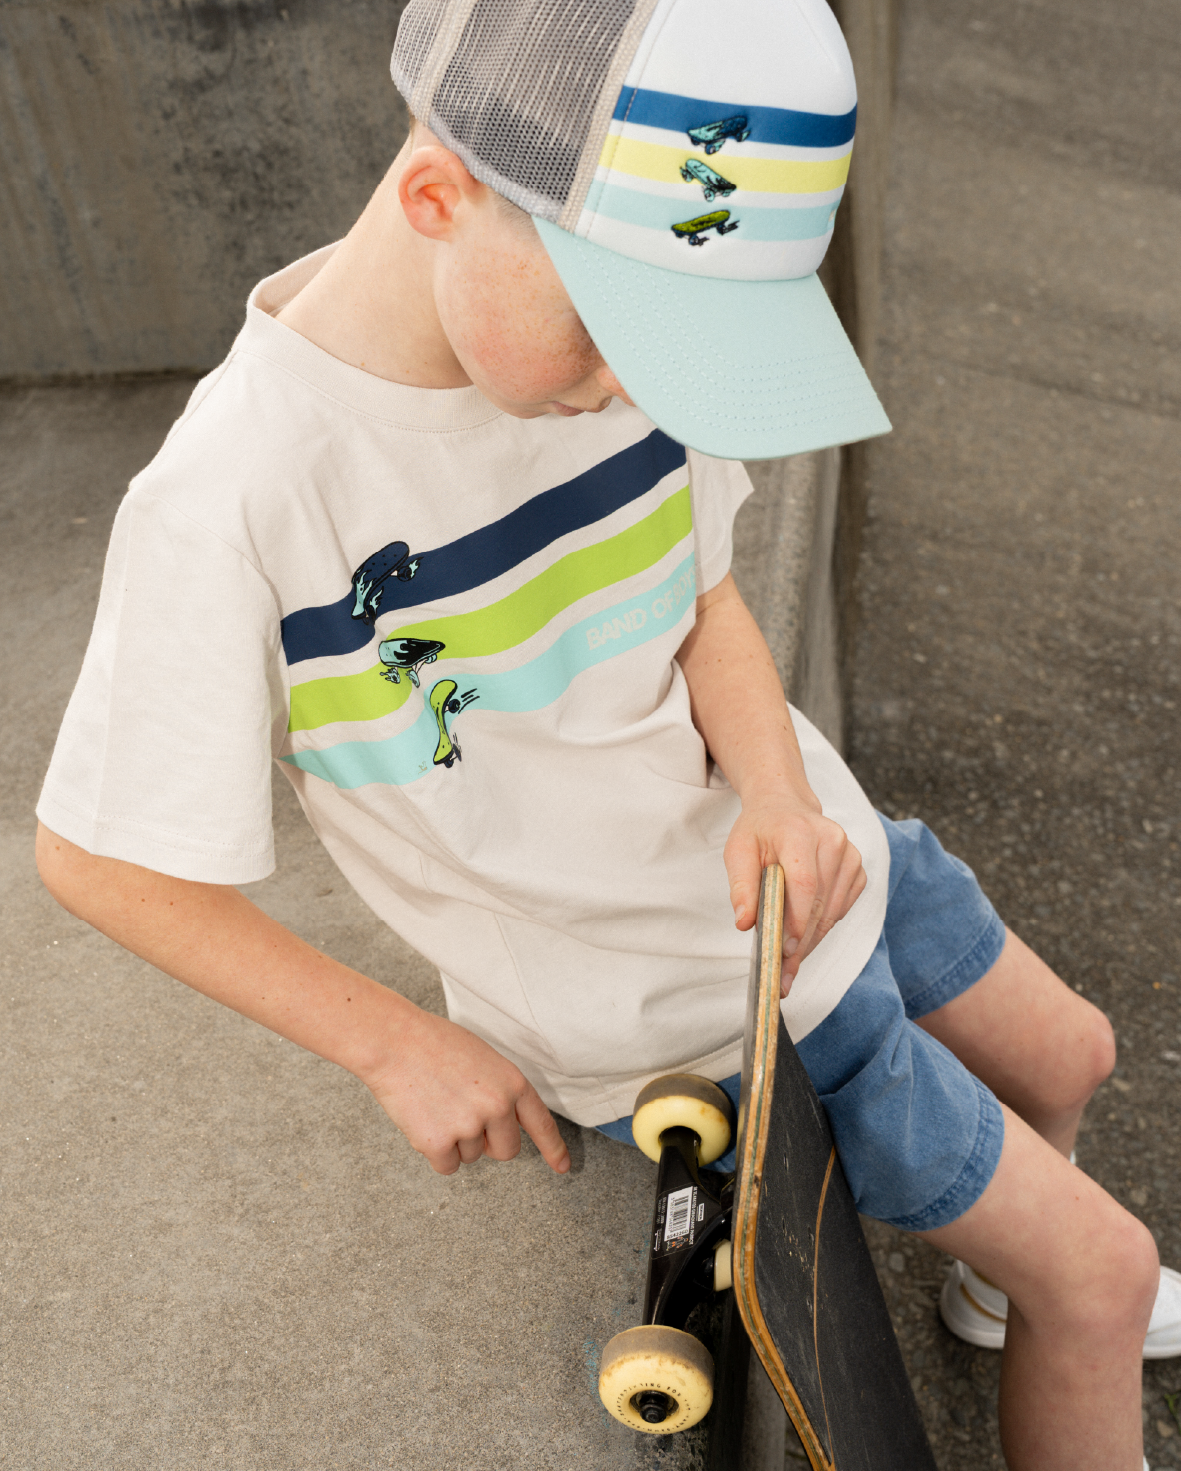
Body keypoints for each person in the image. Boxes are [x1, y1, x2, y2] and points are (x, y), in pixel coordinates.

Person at [33, 1, 1177, 1466]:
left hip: (808, 857)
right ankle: (1041, 1288)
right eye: (632, 338)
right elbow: (99, 856)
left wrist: (774, 786)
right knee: (1105, 1274)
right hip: (703, 1004)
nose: (645, 389)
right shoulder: (240, 493)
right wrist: (394, 1045)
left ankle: (992, 1291)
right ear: (440, 197)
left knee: (1074, 1057)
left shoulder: (594, 339)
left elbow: (703, 605)